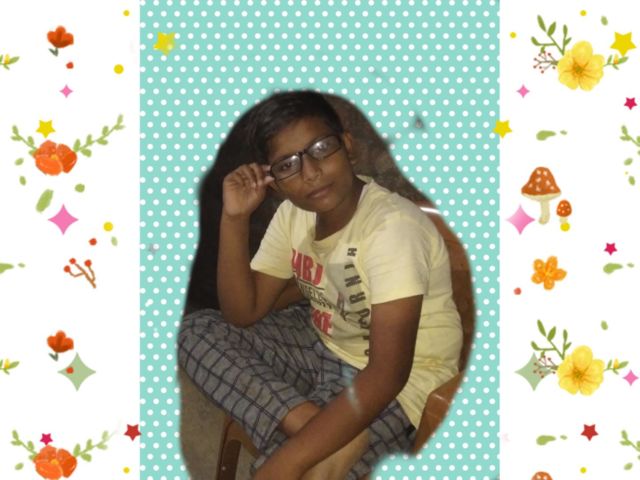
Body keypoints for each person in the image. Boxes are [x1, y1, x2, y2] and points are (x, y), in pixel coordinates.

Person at [178, 91, 463, 480]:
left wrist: (284, 464)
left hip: (402, 378)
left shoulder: (392, 228)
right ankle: (322, 427)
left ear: (347, 146)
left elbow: (387, 374)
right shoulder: (293, 215)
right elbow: (243, 312)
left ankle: (319, 433)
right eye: (288, 165)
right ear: (274, 181)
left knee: (295, 465)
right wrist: (234, 218)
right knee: (198, 330)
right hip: (324, 339)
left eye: (320, 148)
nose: (310, 172)